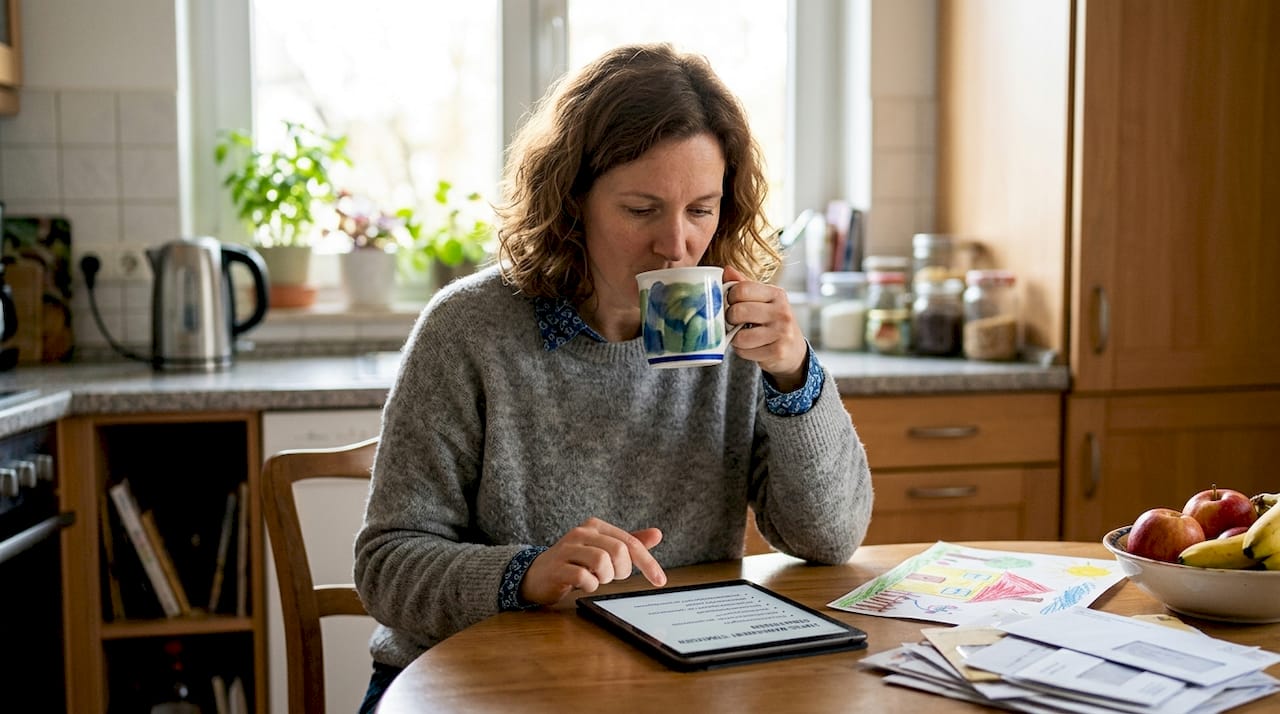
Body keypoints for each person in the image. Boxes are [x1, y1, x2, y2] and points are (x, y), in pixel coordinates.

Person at [353, 42, 873, 712]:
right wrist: (523, 575)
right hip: (469, 684)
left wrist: (794, 377)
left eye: (701, 209)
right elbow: (387, 566)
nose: (677, 244)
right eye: (640, 209)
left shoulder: (738, 331)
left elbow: (828, 540)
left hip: (667, 681)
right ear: (572, 202)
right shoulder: (470, 330)